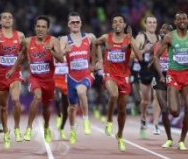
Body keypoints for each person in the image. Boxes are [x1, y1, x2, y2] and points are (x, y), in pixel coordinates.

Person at [7, 15, 63, 143]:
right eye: (38, 26)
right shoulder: (27, 41)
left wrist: (52, 51)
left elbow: (61, 59)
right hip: (35, 78)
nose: (40, 29)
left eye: (43, 27)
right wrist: (12, 69)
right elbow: (21, 56)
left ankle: (47, 127)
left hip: (49, 80)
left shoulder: (53, 41)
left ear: (48, 29)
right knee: (37, 97)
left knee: (46, 108)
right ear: (34, 27)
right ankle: (28, 128)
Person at [94, 13, 142, 151]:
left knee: (122, 110)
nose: (117, 24)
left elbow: (139, 56)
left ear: (124, 24)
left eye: (120, 22)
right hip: (110, 74)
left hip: (124, 77)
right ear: (112, 24)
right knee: (113, 95)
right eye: (115, 22)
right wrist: (98, 60)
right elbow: (95, 43)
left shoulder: (128, 39)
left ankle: (120, 135)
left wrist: (132, 41)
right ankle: (109, 121)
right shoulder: (106, 37)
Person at [59, 12, 100, 145]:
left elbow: (98, 44)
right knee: (71, 107)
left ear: (81, 23)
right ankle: (72, 130)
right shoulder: (64, 39)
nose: (75, 24)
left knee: (82, 91)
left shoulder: (89, 37)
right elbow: (58, 56)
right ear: (68, 24)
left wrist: (99, 62)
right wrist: (65, 50)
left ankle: (86, 120)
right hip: (72, 76)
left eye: (77, 22)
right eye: (73, 22)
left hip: (86, 74)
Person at [0, 12, 25, 149]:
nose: (8, 19)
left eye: (10, 17)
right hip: (0, 75)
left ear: (13, 21)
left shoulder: (20, 35)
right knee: (3, 107)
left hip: (14, 73)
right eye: (4, 17)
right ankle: (6, 133)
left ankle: (16, 128)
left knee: (15, 100)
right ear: (0, 21)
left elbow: (24, 53)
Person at [154, 11, 188, 151]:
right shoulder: (169, 37)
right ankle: (170, 137)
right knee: (174, 111)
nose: (182, 20)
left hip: (187, 74)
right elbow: (156, 57)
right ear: (175, 22)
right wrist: (161, 75)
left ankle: (181, 140)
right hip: (173, 75)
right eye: (179, 19)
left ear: (187, 21)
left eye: (184, 18)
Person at [135, 14, 161, 138]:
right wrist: (143, 50)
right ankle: (143, 117)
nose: (152, 25)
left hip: (156, 72)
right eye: (149, 22)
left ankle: (155, 123)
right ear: (145, 24)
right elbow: (131, 56)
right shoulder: (140, 37)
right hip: (144, 71)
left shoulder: (160, 38)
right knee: (146, 100)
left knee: (158, 97)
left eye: (154, 22)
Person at [151, 23, 173, 147]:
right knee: (164, 108)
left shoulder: (175, 46)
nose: (163, 31)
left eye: (166, 29)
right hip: (159, 79)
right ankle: (169, 138)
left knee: (174, 108)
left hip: (174, 78)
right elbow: (152, 61)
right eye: (162, 29)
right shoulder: (155, 46)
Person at [54, 57, 69, 139]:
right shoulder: (54, 50)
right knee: (57, 97)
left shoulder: (69, 50)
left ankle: (62, 128)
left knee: (66, 108)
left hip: (66, 81)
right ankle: (59, 115)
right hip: (56, 80)